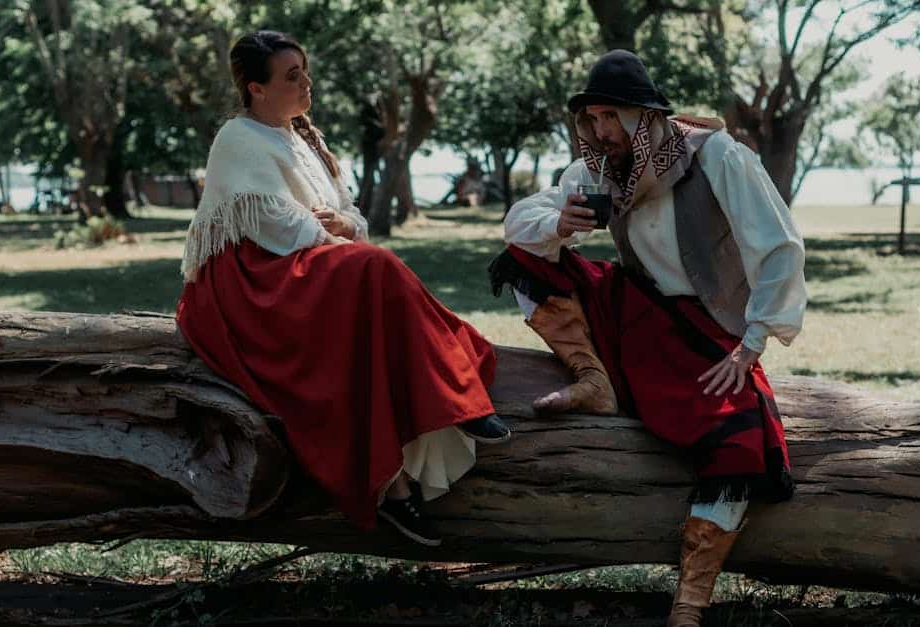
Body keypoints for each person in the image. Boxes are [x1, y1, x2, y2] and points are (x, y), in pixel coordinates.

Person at [489, 49, 805, 627]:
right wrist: (560, 225)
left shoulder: (717, 157)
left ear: (644, 115)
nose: (602, 131)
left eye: (612, 117)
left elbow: (778, 245)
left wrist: (751, 344)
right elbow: (520, 219)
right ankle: (594, 380)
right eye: (592, 120)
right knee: (524, 259)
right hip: (639, 312)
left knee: (740, 441)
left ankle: (689, 604)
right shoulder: (600, 169)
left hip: (709, 328)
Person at [177, 30, 510, 548]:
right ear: (255, 89)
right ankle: (455, 398)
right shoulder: (238, 138)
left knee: (369, 282)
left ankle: (402, 481)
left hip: (304, 264)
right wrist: (338, 237)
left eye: (305, 71)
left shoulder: (305, 138)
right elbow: (273, 224)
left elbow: (347, 212)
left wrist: (347, 228)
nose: (305, 82)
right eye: (292, 76)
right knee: (372, 270)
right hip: (251, 283)